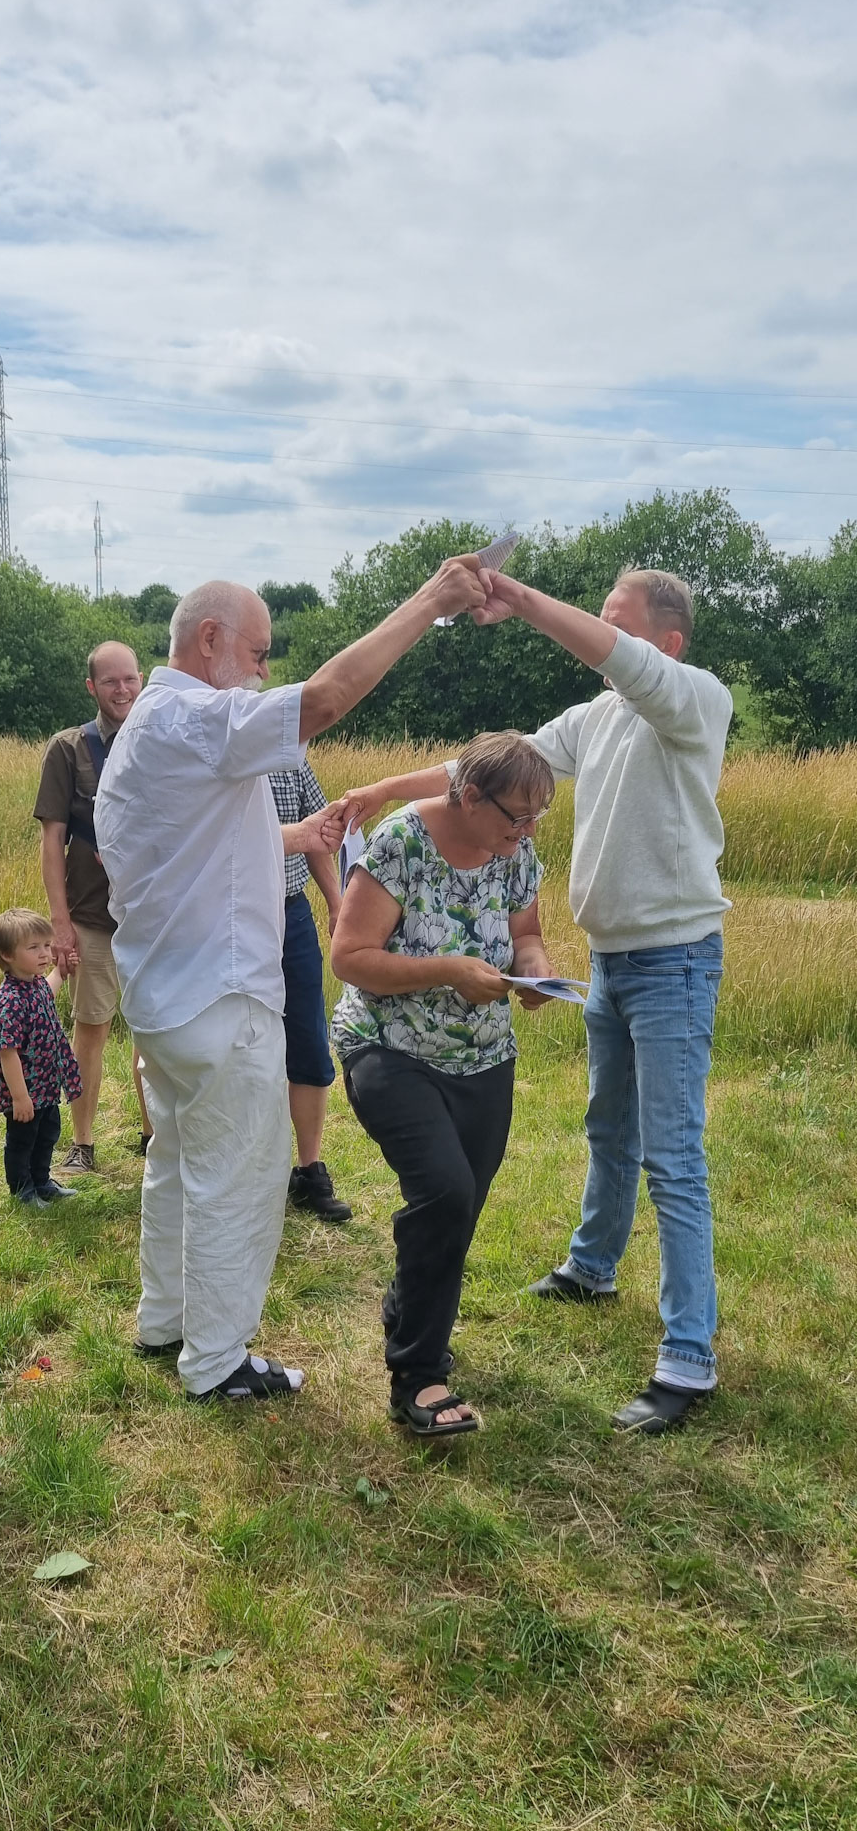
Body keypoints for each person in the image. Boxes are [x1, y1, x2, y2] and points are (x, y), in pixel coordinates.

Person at [339, 567, 733, 1435]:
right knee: (608, 1129)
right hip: (616, 960)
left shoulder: (695, 700)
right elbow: (482, 771)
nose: (602, 639)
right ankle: (593, 1267)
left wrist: (517, 599)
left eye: (618, 626)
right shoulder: (598, 718)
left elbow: (619, 659)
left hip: (675, 960)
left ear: (665, 644)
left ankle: (689, 1355)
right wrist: (384, 790)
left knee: (672, 1156)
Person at [94, 560, 490, 1404]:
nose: (265, 671)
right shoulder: (198, 716)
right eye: (260, 653)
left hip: (166, 998)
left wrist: (298, 833)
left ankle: (165, 1320)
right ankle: (217, 1362)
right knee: (238, 1175)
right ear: (210, 640)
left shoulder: (152, 725)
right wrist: (431, 600)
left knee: (178, 1163)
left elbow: (193, 849)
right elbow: (325, 700)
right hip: (219, 998)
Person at [330, 732, 557, 1436]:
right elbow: (350, 956)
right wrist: (449, 970)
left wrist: (535, 968)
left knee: (457, 1209)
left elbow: (527, 933)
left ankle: (408, 1306)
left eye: (537, 819)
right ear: (469, 795)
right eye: (515, 817)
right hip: (389, 1049)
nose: (525, 833)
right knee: (446, 1192)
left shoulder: (515, 851)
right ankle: (418, 1377)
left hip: (485, 1057)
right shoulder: (402, 842)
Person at [34, 641, 152, 1175]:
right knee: (92, 1026)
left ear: (142, 679)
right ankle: (82, 1143)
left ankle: (153, 1135)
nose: (122, 690)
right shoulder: (68, 749)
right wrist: (60, 924)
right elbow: (51, 841)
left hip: (152, 917)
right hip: (92, 916)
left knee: (154, 1028)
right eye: (110, 681)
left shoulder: (159, 742)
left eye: (130, 679)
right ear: (91, 687)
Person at [269, 758, 352, 1222]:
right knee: (236, 1043)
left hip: (291, 912)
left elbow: (317, 835)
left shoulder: (290, 760)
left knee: (308, 1039)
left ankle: (308, 1171)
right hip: (228, 916)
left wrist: (337, 904)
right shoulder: (210, 751)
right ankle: (247, 1170)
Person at [0, 908, 82, 1208]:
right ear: (7, 954)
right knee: (22, 1141)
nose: (44, 953)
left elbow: (48, 991)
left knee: (47, 1134)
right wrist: (19, 1097)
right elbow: (8, 1053)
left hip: (45, 1085)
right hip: (26, 1090)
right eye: (33, 947)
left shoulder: (35, 983)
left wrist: (61, 972)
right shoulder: (9, 1001)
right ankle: (23, 1190)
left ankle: (42, 1181)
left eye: (46, 945)